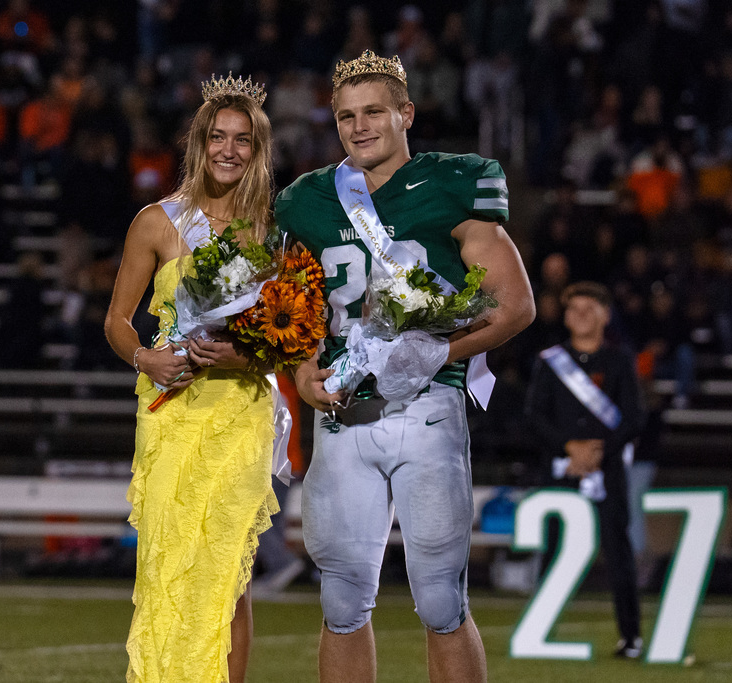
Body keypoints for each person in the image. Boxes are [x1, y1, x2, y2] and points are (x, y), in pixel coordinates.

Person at [275, 50, 535, 683]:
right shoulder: (308, 198)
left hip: (427, 407)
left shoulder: (452, 182)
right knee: (341, 602)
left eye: (373, 112)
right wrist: (304, 370)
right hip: (343, 414)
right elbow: (294, 300)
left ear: (406, 114)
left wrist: (442, 352)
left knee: (442, 600)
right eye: (346, 116)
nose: (359, 127)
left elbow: (515, 305)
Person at [104, 74, 279, 683]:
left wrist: (241, 358)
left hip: (241, 414)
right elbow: (116, 321)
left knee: (229, 574)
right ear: (199, 144)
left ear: (258, 150)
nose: (229, 150)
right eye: (217, 137)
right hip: (171, 410)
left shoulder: (271, 230)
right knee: (167, 563)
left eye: (243, 140)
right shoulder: (157, 222)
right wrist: (145, 359)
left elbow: (286, 338)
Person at [524, 281, 646, 659]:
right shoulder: (550, 361)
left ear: (605, 315)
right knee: (552, 550)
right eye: (573, 309)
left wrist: (597, 451)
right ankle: (539, 633)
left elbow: (634, 418)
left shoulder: (620, 361)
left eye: (588, 309)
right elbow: (534, 416)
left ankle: (631, 636)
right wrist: (569, 446)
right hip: (561, 470)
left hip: (606, 471)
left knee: (618, 553)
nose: (579, 315)